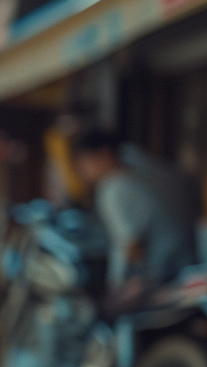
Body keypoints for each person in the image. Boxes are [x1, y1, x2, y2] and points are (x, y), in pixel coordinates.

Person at [72, 129, 200, 308]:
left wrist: (117, 287)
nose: (82, 170)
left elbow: (132, 247)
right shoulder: (141, 170)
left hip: (165, 273)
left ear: (104, 154)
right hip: (190, 260)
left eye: (84, 162)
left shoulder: (113, 189)